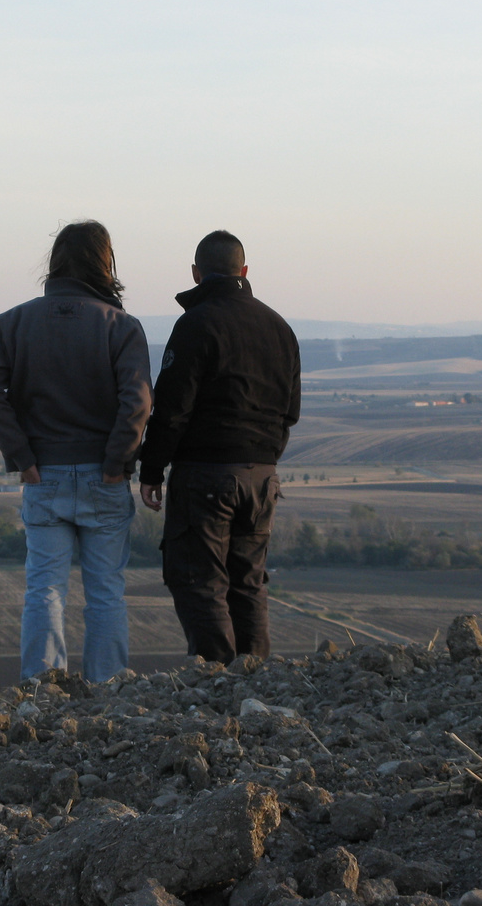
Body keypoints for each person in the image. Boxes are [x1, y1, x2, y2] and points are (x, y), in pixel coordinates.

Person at [0, 221, 152, 683]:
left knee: (44, 590)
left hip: (44, 475)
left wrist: (22, 456)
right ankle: (108, 689)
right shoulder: (123, 327)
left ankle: (42, 691)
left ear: (54, 262)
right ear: (105, 262)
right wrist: (116, 461)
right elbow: (138, 401)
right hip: (105, 478)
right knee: (107, 593)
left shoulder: (11, 323)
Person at [138, 230, 300, 663]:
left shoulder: (196, 324)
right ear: (244, 272)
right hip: (263, 478)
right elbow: (289, 412)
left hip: (206, 476)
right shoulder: (279, 328)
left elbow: (171, 410)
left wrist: (152, 470)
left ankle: (218, 685)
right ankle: (257, 680)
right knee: (248, 583)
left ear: (195, 273)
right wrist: (264, 460)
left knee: (198, 581)